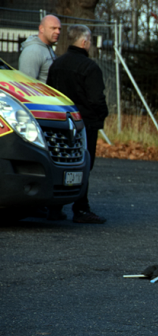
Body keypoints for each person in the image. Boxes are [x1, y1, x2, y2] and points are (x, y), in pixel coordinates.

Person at [46, 25, 109, 224]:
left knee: (60, 162)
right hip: (85, 124)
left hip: (58, 123)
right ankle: (81, 208)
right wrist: (102, 114)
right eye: (89, 41)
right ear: (84, 42)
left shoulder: (57, 64)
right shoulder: (90, 68)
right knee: (83, 165)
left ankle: (55, 206)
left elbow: (49, 93)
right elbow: (96, 99)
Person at [18, 15, 61, 83]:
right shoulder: (33, 51)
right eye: (53, 28)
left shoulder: (47, 48)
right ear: (41, 28)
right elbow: (27, 85)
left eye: (59, 29)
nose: (58, 32)